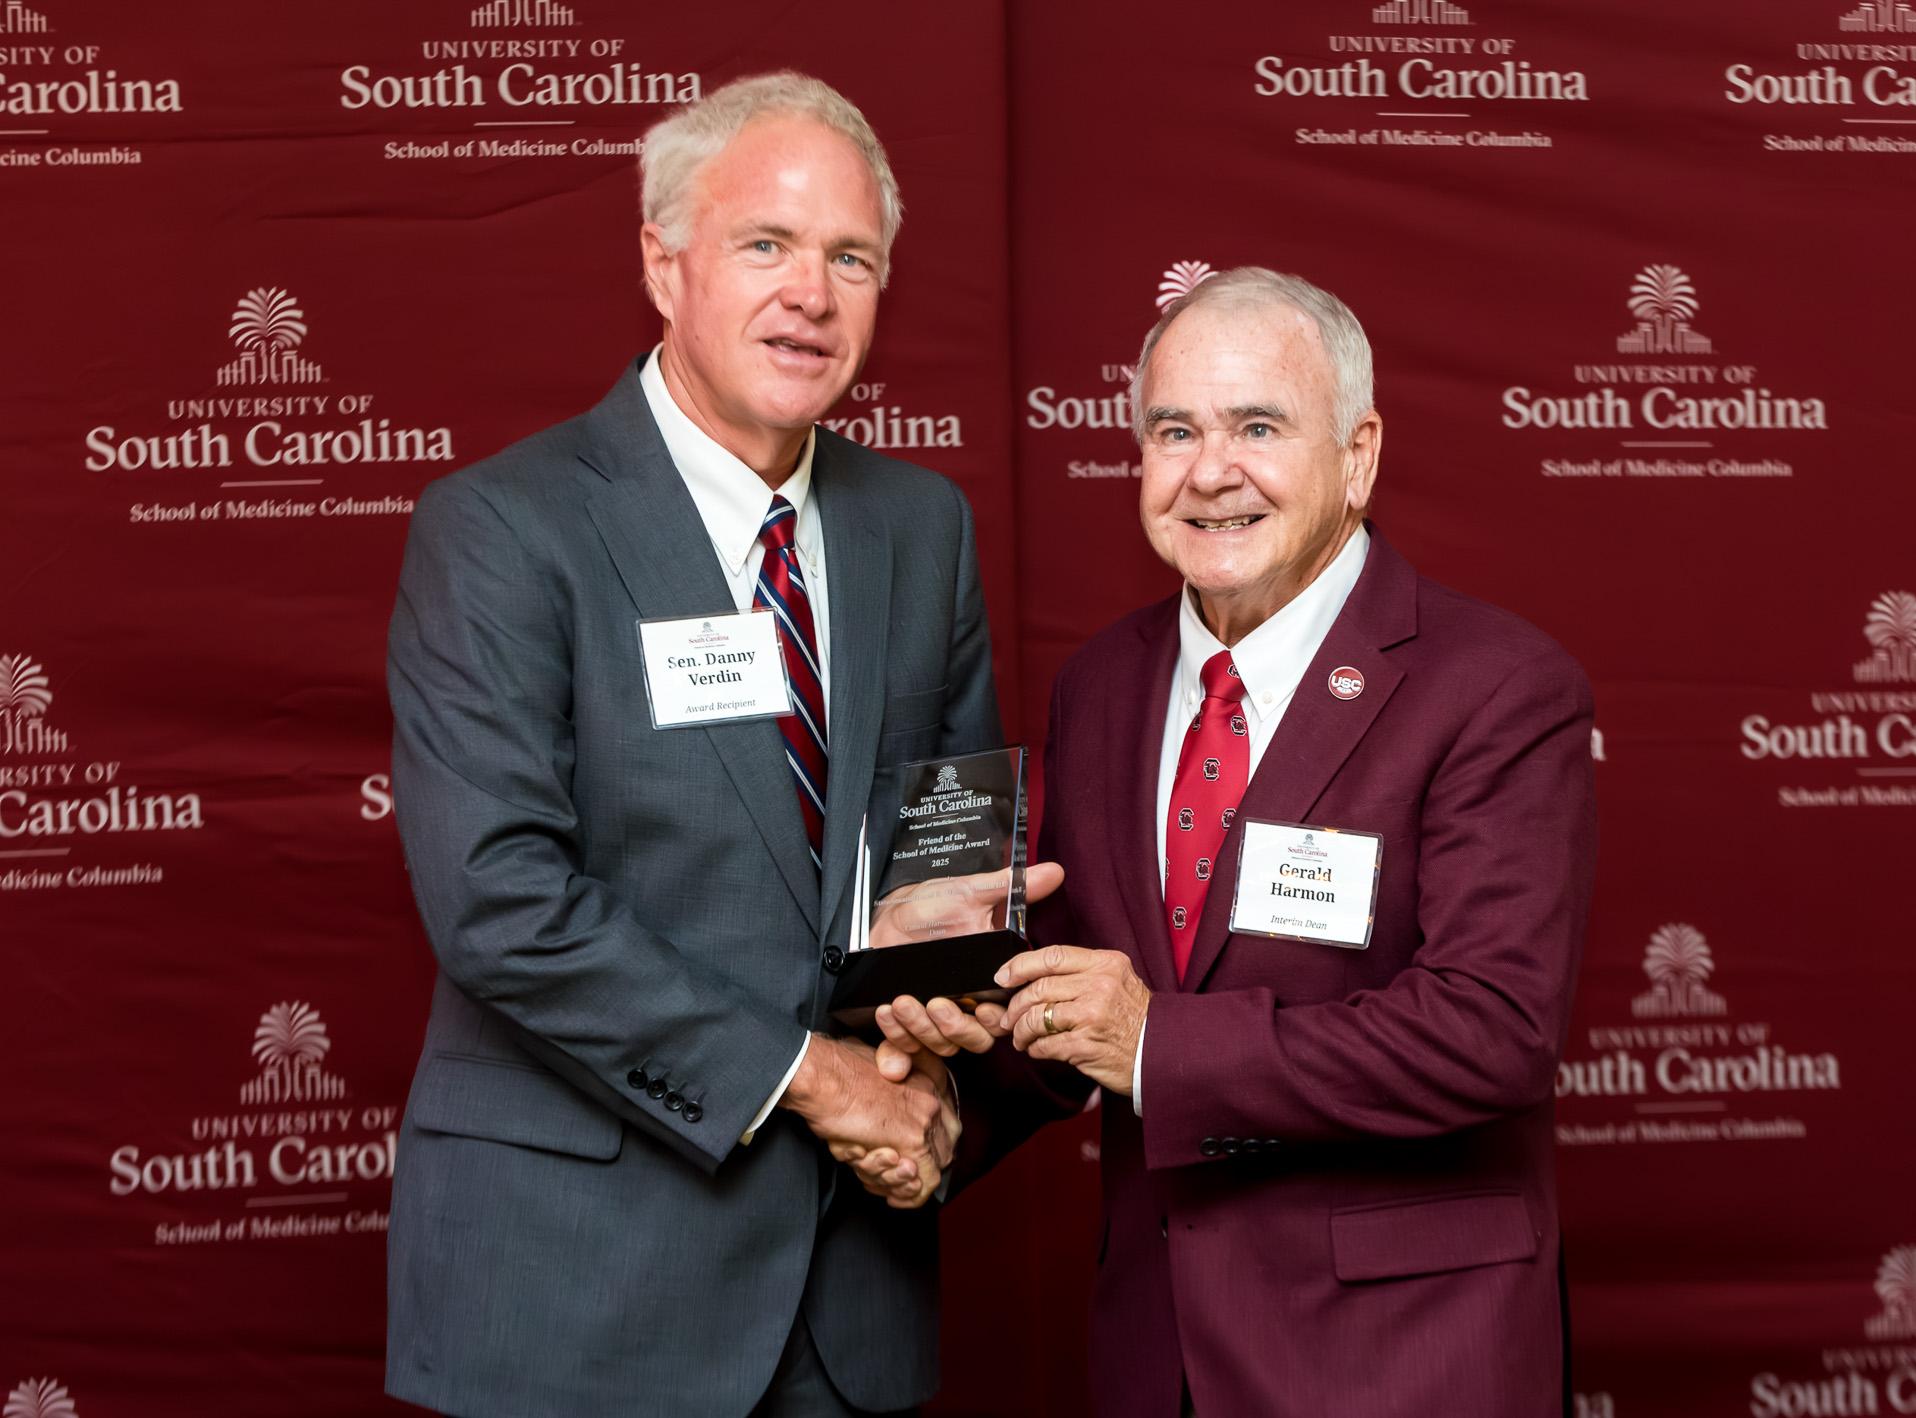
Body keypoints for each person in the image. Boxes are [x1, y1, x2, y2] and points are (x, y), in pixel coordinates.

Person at [383, 72, 1039, 1417]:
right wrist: (815, 1079)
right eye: (767, 244)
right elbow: (500, 900)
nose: (812, 292)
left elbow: (945, 867)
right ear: (662, 261)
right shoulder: (503, 530)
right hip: (583, 1294)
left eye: (851, 257)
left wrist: (942, 1000)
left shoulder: (923, 529)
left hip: (847, 1300)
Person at [874, 267, 1597, 1416]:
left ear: (1356, 454)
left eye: (1257, 425)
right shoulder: (1101, 684)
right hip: (1157, 1353)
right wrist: (941, 1084)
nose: (1210, 471)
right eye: (1174, 430)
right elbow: (1084, 1003)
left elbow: (1489, 1029)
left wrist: (1158, 1042)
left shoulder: (1494, 686)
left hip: (1405, 1355)